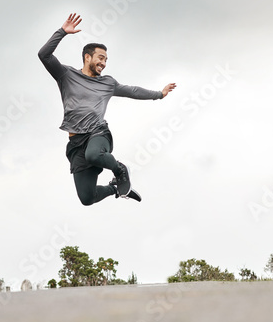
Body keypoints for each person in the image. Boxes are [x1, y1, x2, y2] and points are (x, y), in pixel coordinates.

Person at [38, 13, 176, 205]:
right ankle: (115, 189)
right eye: (100, 58)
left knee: (93, 155)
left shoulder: (107, 83)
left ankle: (120, 170)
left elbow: (132, 91)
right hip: (76, 142)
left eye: (106, 59)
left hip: (98, 133)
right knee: (87, 198)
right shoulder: (66, 75)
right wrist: (61, 32)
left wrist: (159, 94)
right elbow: (43, 55)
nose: (103, 63)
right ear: (87, 57)